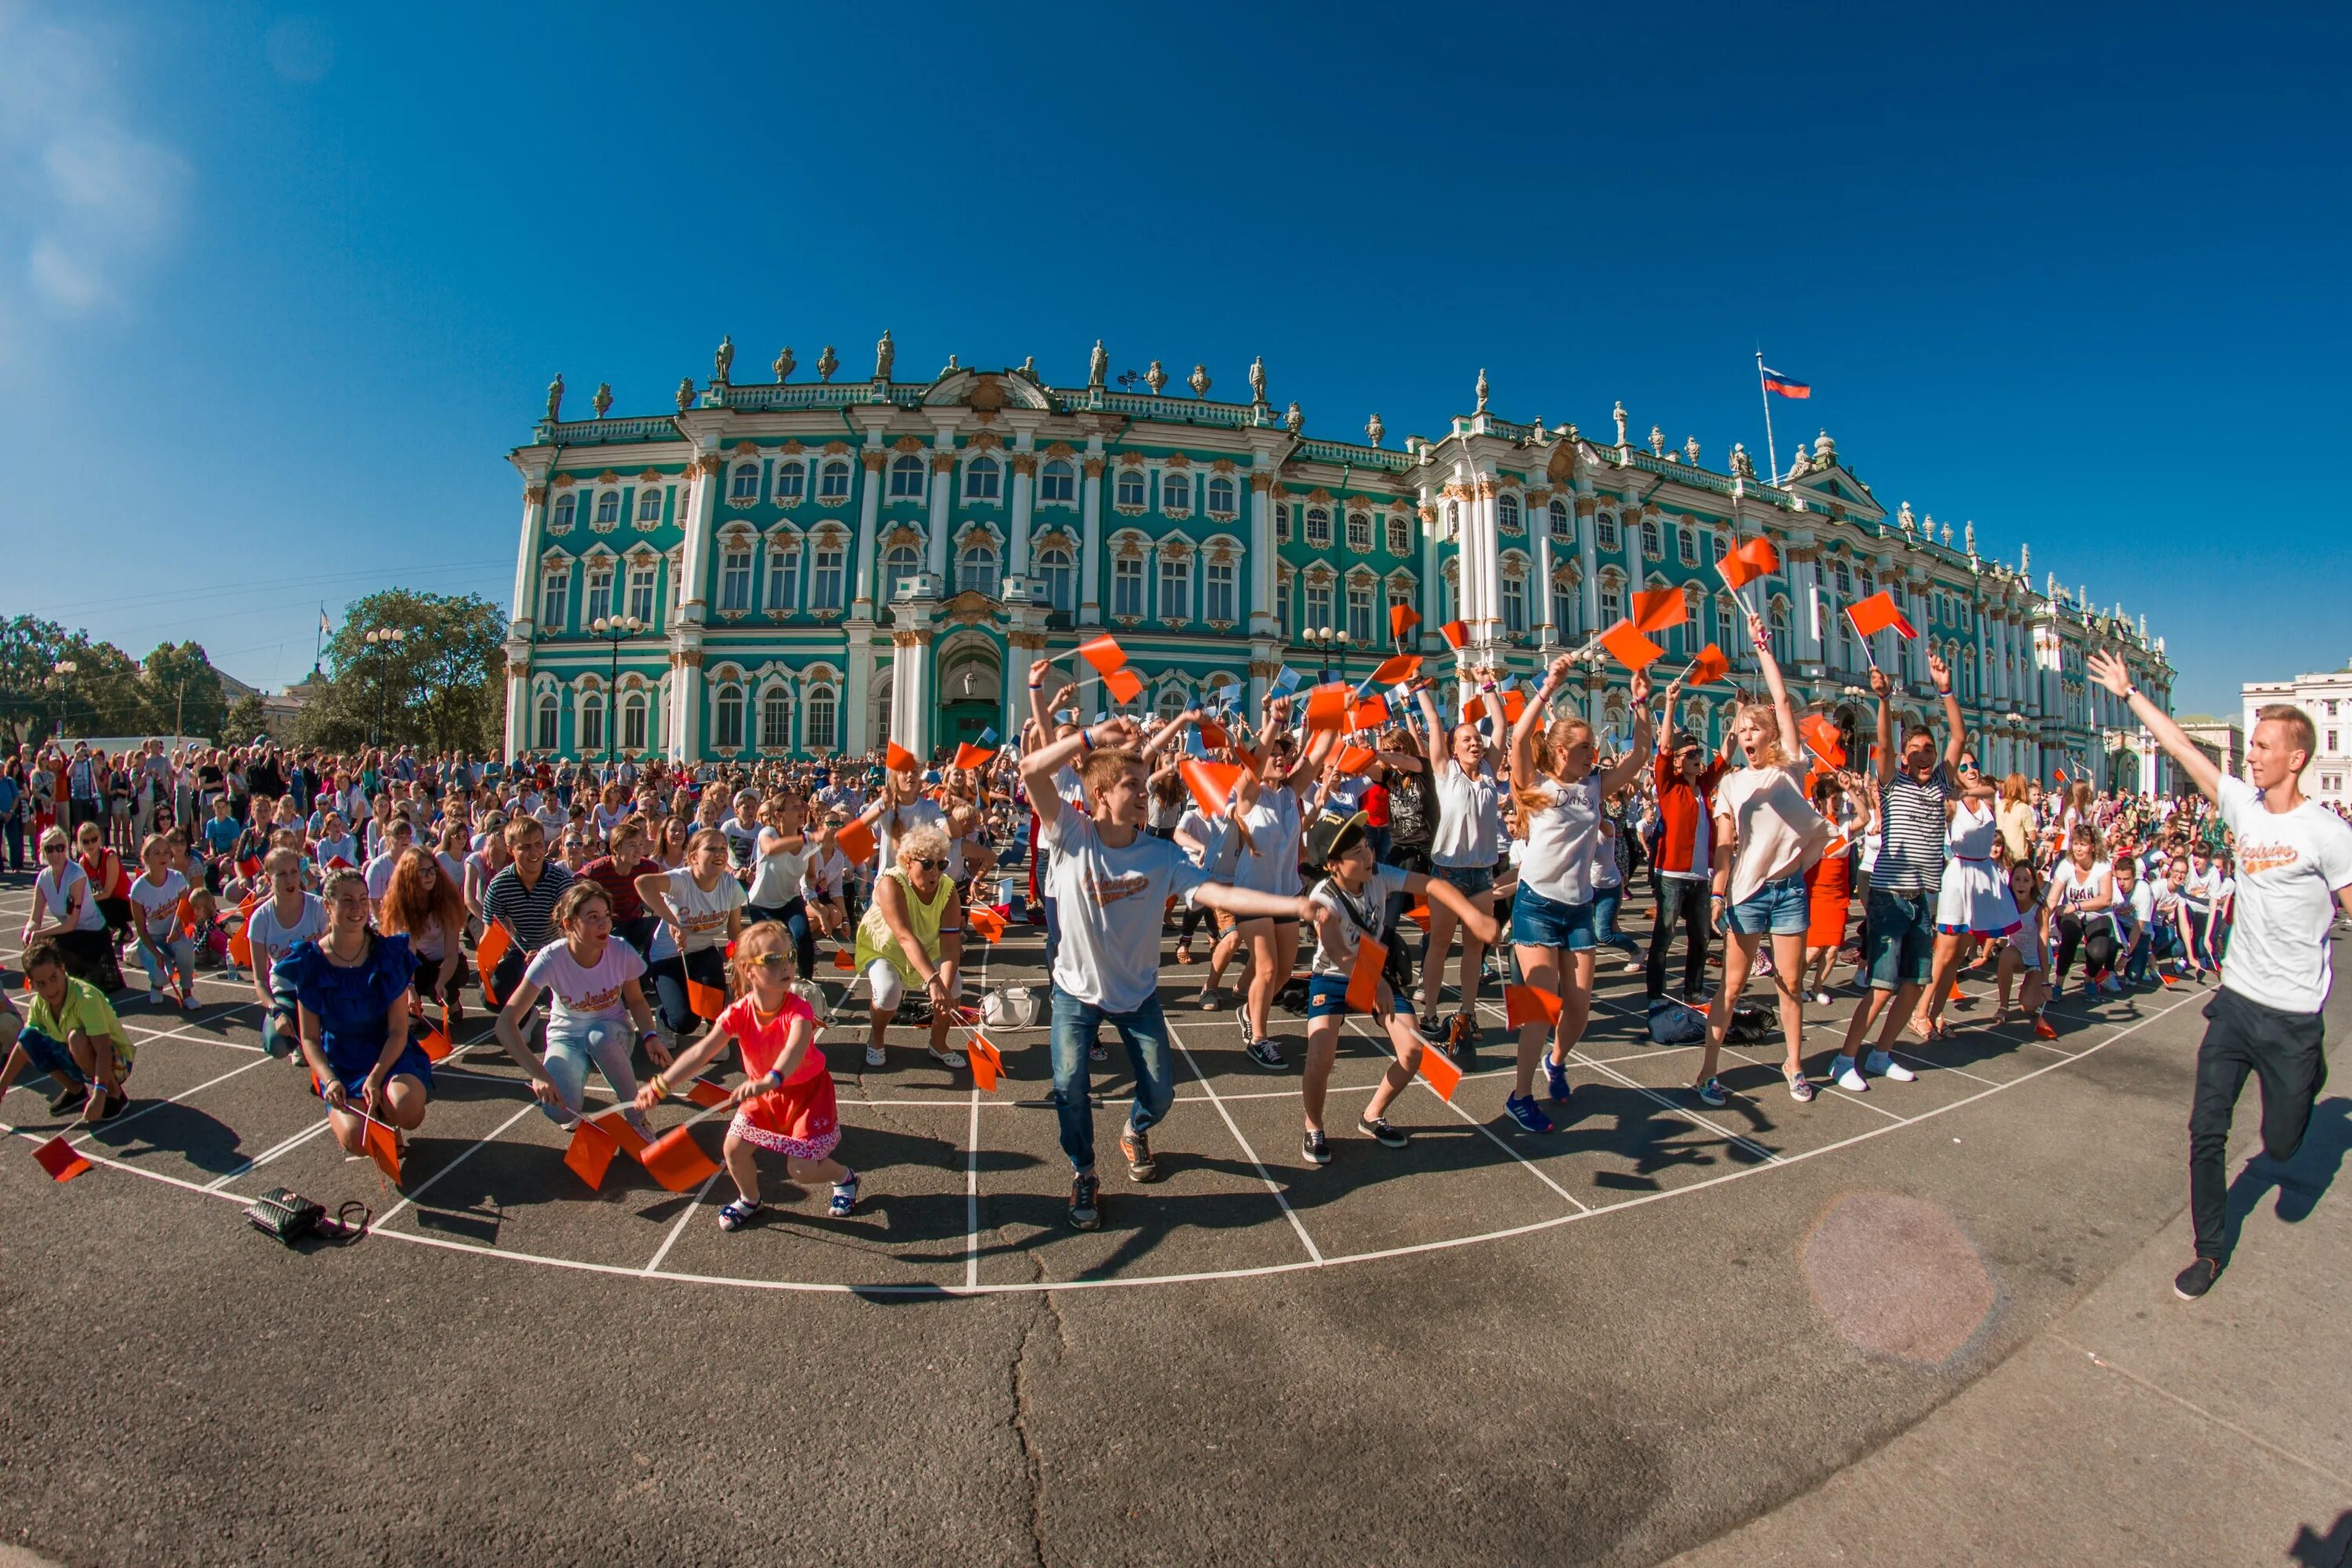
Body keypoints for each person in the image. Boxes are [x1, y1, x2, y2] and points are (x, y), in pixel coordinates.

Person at [2088, 651, 2352, 1300]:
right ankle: (2208, 1251)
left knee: (2283, 1144)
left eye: (2263, 746)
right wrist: (2129, 694)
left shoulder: (2326, 833)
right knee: (2207, 1129)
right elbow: (2181, 748)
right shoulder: (2242, 806)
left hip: (2293, 1018)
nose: (2251, 754)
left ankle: (2307, 1076)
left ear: (2296, 758)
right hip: (2236, 1004)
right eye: (2251, 744)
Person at [1022, 715, 1313, 1230]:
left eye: (1145, 783)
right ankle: (1084, 1171)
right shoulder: (1069, 832)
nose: (1146, 792)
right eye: (1134, 785)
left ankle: (1135, 1129)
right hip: (1074, 992)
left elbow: (1217, 894)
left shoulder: (1160, 854)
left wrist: (1290, 905)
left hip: (1136, 996)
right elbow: (1030, 769)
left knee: (1160, 1093)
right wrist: (1089, 737)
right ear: (1101, 794)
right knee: (1069, 1089)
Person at [1297, 806, 1497, 1161]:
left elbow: (1434, 884)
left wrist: (1473, 916)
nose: (1367, 855)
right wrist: (1376, 985)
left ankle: (1372, 1115)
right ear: (1333, 865)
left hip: (1375, 972)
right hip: (1333, 978)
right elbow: (1340, 953)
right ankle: (1313, 1126)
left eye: (1366, 846)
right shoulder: (1322, 900)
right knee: (1319, 1056)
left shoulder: (1379, 876)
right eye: (1355, 852)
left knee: (1413, 1050)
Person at [640, 919, 857, 1229]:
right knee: (734, 1150)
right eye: (772, 959)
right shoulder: (738, 1013)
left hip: (805, 1092)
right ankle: (750, 1199)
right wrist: (660, 1085)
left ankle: (844, 1177)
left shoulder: (799, 1009)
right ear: (748, 969)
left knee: (802, 1169)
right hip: (764, 1092)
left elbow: (794, 1050)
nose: (786, 966)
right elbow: (702, 1052)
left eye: (790, 957)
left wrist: (771, 1078)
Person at [494, 882, 665, 1139]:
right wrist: (538, 1074)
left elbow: (638, 1001)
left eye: (606, 916)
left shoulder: (620, 950)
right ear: (569, 923)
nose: (604, 924)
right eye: (593, 917)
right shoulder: (550, 959)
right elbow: (505, 1024)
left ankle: (636, 1116)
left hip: (612, 1035)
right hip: (567, 1039)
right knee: (560, 1111)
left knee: (599, 1037)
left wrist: (650, 1036)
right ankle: (572, 1092)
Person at [286, 868, 433, 1163]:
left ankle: (388, 1116)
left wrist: (377, 1078)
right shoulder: (310, 962)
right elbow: (310, 1039)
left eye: (363, 899)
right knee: (357, 1140)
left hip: (389, 1055)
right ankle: (371, 1120)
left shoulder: (387, 954)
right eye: (347, 900)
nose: (358, 908)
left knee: (408, 1109)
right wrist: (329, 1081)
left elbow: (398, 1031)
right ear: (327, 906)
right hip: (343, 1061)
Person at [1415, 681, 1504, 1040]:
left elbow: (1500, 724)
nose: (1474, 743)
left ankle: (1468, 1013)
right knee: (1439, 944)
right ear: (1453, 748)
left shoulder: (1488, 773)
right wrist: (1419, 688)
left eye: (1476, 739)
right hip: (1448, 873)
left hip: (1482, 875)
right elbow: (1434, 723)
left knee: (1473, 949)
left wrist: (1488, 686)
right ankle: (1432, 1013)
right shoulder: (1445, 772)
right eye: (1466, 739)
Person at [850, 822, 967, 1072]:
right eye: (927, 864)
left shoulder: (948, 891)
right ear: (907, 861)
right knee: (888, 990)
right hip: (885, 947)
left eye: (941, 864)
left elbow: (949, 946)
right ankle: (877, 1037)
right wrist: (933, 980)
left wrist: (943, 986)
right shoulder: (890, 884)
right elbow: (904, 937)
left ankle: (938, 1042)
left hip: (928, 947)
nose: (935, 871)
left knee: (954, 984)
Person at [5, 939, 136, 1122]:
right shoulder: (38, 1004)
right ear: (31, 984)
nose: (50, 989)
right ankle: (75, 1090)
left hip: (115, 1061)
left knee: (77, 1038)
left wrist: (99, 1094)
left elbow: (103, 1050)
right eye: (41, 984)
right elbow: (23, 1047)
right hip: (79, 1057)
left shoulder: (85, 999)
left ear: (62, 969)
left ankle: (115, 1094)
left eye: (53, 978)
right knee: (29, 1037)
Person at [635, 826, 746, 1039]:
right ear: (694, 857)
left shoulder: (730, 885)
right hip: (668, 956)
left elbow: (734, 931)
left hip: (704, 951)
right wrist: (672, 922)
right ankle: (664, 1016)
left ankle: (715, 1034)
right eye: (711, 848)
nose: (719, 854)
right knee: (685, 1023)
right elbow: (643, 883)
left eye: (723, 848)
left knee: (714, 1008)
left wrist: (745, 959)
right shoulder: (681, 880)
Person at [481, 816, 574, 1004]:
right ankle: (526, 1017)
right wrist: (495, 950)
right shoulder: (499, 885)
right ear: (510, 850)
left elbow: (574, 935)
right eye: (525, 847)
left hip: (559, 953)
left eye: (538, 844)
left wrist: (545, 955)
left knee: (564, 996)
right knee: (490, 994)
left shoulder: (562, 882)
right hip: (521, 952)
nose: (534, 852)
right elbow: (488, 938)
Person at [245, 847, 326, 1059]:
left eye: (294, 872)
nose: (290, 879)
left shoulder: (318, 907)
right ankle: (298, 1039)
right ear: (267, 878)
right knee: (277, 1044)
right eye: (281, 874)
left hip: (321, 987)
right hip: (286, 991)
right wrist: (276, 1011)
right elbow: (260, 980)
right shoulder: (260, 919)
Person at [379, 845, 469, 1031]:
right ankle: (413, 1009)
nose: (429, 875)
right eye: (422, 872)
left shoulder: (447, 900)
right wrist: (410, 989)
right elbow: (407, 951)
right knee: (394, 969)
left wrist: (441, 982)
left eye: (432, 870)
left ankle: (452, 1000)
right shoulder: (401, 904)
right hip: (417, 961)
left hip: (444, 961)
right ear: (409, 876)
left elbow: (451, 954)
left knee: (445, 988)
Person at [25, 827, 119, 990]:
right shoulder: (43, 878)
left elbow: (71, 923)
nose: (56, 854)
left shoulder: (76, 874)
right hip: (71, 934)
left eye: (60, 848)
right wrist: (28, 933)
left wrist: (39, 935)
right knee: (36, 944)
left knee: (48, 943)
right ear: (43, 851)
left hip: (92, 934)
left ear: (67, 848)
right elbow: (35, 918)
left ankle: (90, 970)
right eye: (50, 849)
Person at [125, 833, 198, 1011]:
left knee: (186, 946)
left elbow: (184, 912)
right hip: (152, 939)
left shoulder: (177, 879)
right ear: (146, 857)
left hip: (175, 934)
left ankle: (187, 992)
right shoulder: (139, 889)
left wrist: (177, 930)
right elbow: (141, 930)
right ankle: (157, 985)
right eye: (156, 853)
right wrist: (156, 954)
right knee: (161, 974)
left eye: (166, 852)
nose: (163, 856)